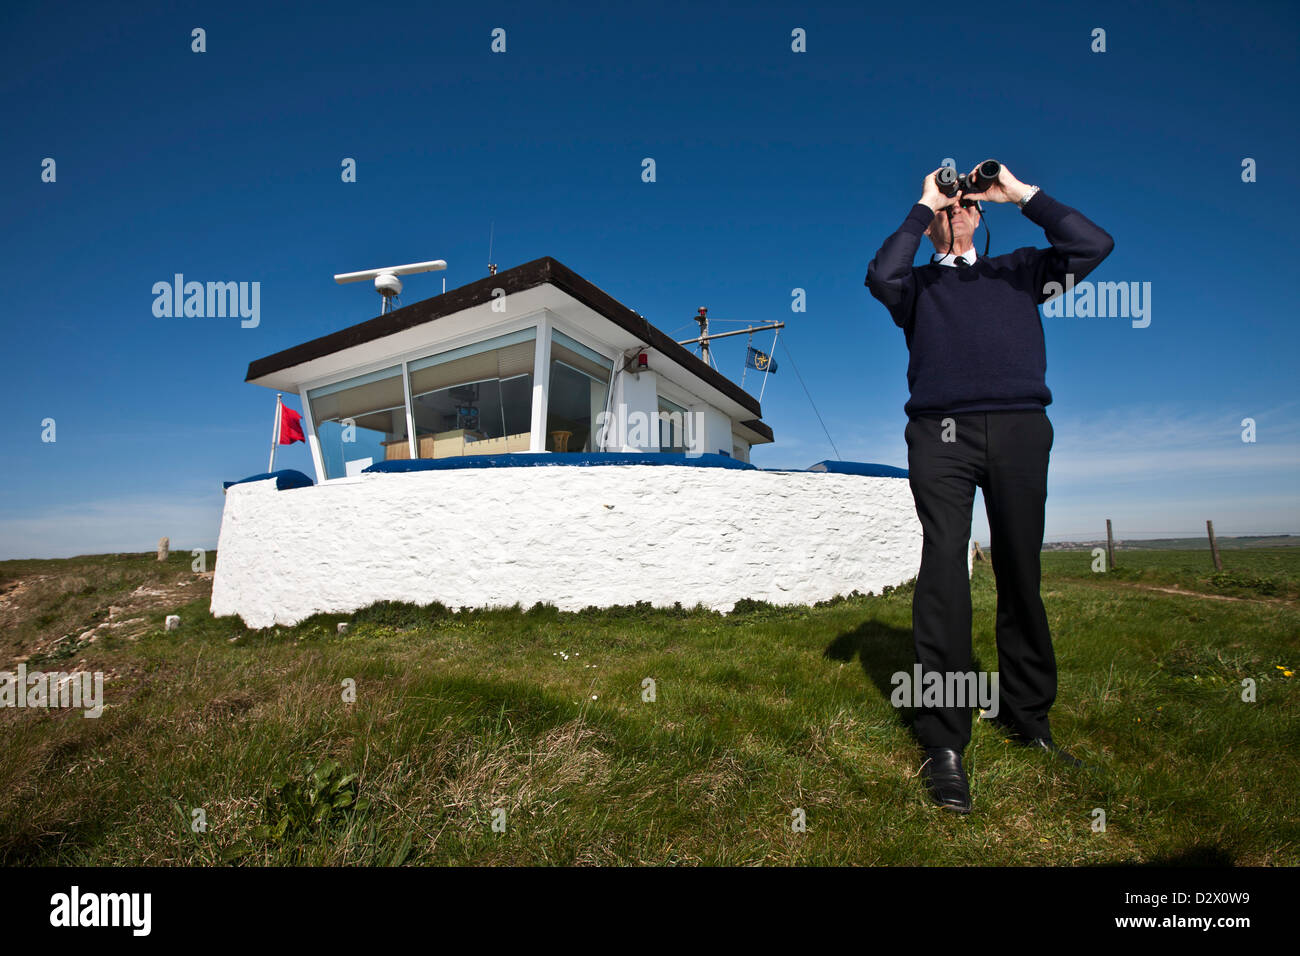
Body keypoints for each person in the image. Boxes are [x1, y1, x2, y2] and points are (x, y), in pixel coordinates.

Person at [865, 162, 1113, 813]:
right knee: (945, 568)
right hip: (938, 432)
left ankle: (1027, 718)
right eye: (948, 204)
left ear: (981, 214)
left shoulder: (1023, 271)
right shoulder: (915, 286)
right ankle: (944, 742)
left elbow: (1093, 245)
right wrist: (923, 206)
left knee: (1019, 570)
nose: (956, 209)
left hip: (1019, 427)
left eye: (965, 202)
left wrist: (1018, 192)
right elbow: (880, 275)